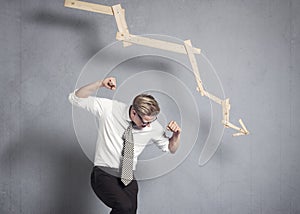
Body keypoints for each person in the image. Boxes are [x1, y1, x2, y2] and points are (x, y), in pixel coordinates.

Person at [68, 77, 181, 214]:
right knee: (124, 207)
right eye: (145, 122)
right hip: (105, 173)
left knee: (130, 211)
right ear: (134, 112)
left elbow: (170, 148)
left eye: (152, 121)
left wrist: (176, 135)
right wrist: (100, 84)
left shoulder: (153, 127)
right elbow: (76, 98)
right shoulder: (109, 109)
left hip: (128, 177)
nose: (149, 126)